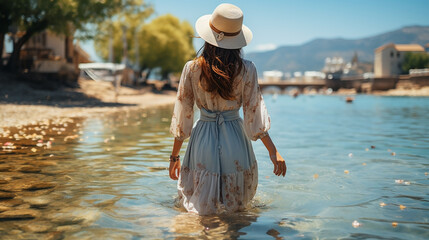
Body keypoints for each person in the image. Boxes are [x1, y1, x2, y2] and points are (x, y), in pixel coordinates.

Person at [169, 3, 286, 215]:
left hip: (203, 137)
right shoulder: (247, 69)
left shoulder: (191, 68)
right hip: (235, 137)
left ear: (207, 37)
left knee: (201, 204)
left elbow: (183, 116)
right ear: (238, 41)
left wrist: (174, 157)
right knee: (236, 210)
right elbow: (254, 113)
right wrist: (273, 151)